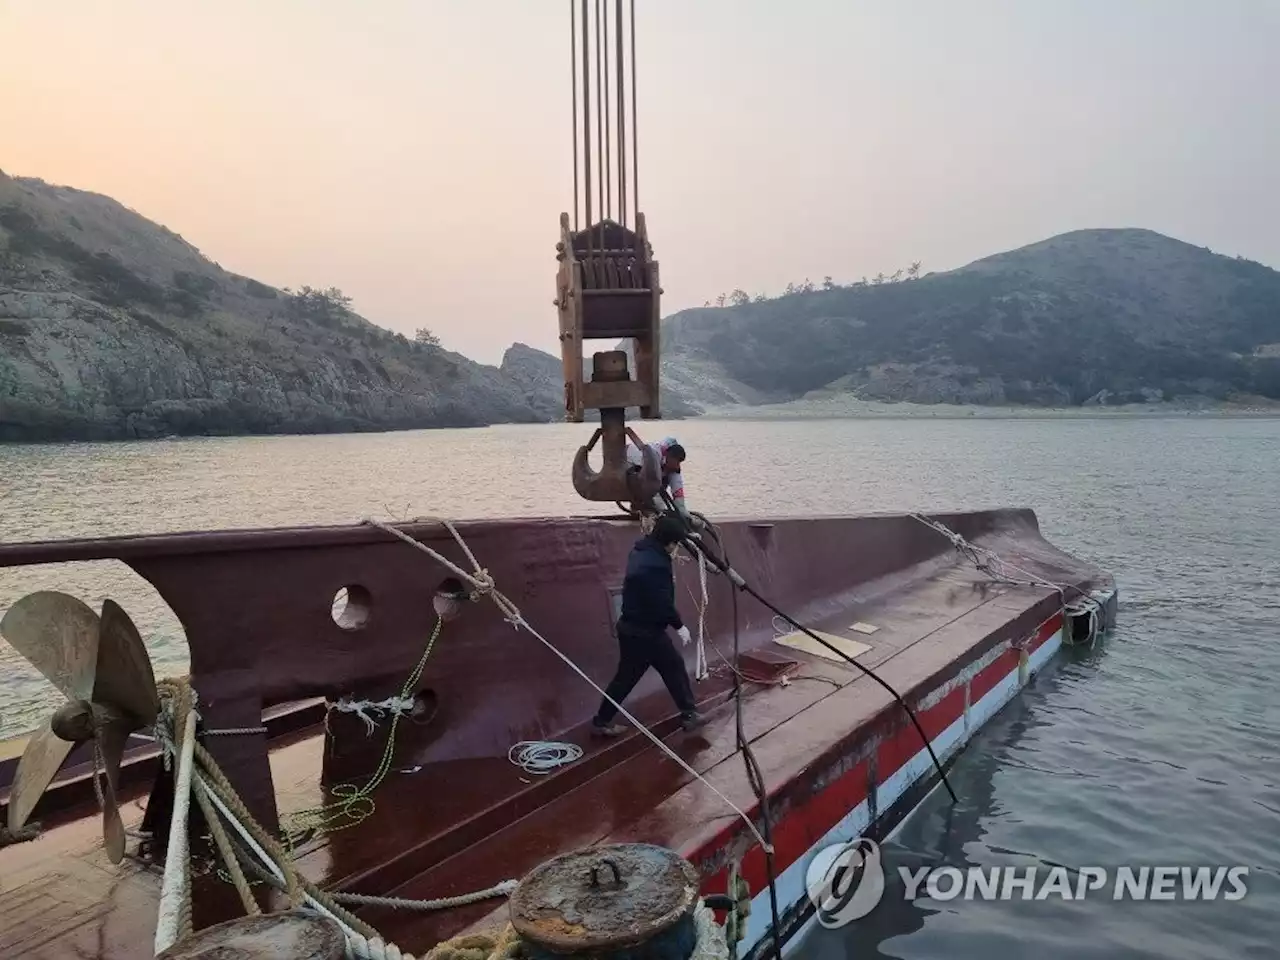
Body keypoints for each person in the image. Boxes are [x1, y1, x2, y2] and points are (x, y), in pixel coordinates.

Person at [592, 513, 707, 736]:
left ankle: (601, 721)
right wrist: (679, 625)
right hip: (648, 633)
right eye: (675, 544)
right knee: (673, 667)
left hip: (630, 627)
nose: (675, 549)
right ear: (668, 542)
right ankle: (689, 714)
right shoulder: (656, 564)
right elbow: (661, 601)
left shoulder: (640, 551)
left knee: (625, 678)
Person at [626, 435, 691, 520]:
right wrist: (663, 511)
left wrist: (682, 510)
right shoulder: (653, 455)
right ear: (668, 455)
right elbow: (652, 483)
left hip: (647, 473)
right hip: (629, 467)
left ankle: (648, 509)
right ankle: (641, 508)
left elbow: (677, 488)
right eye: (677, 461)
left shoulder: (672, 465)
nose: (677, 465)